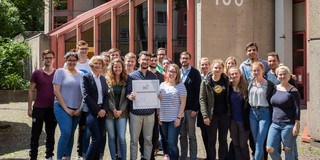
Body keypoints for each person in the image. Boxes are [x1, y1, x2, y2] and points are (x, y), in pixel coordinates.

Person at [126, 51, 162, 160]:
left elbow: (156, 94)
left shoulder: (154, 77)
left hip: (150, 114)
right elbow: (127, 92)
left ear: (150, 61)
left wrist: (158, 96)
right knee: (134, 141)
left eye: (148, 59)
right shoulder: (132, 76)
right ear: (139, 60)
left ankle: (146, 158)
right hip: (135, 113)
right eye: (144, 59)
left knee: (148, 140)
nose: (146, 61)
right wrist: (129, 96)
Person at [53, 52, 83, 160]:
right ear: (66, 60)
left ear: (77, 61)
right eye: (69, 60)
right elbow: (56, 91)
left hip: (76, 110)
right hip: (62, 107)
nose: (72, 62)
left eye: (74, 60)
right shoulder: (60, 72)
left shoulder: (81, 74)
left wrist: (80, 109)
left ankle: (68, 157)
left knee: (71, 134)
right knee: (66, 132)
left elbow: (84, 94)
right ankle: (59, 158)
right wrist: (66, 109)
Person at [28, 50, 57, 160]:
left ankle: (49, 155)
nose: (48, 60)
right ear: (43, 59)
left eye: (50, 58)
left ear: (54, 59)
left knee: (51, 133)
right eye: (46, 58)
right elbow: (30, 90)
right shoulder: (37, 73)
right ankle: (33, 156)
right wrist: (29, 108)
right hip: (39, 108)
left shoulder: (58, 73)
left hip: (53, 109)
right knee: (35, 133)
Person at [266, 65, 300, 160]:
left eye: (285, 74)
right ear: (277, 76)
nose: (282, 76)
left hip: (289, 124)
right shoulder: (275, 88)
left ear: (289, 75)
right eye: (280, 74)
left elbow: (297, 109)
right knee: (270, 148)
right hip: (275, 124)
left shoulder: (293, 91)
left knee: (288, 150)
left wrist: (296, 125)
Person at [199, 59, 231, 160]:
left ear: (223, 69)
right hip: (211, 116)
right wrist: (205, 116)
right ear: (212, 68)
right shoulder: (206, 82)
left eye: (219, 68)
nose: (217, 69)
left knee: (223, 140)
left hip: (224, 116)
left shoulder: (226, 80)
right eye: (215, 67)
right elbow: (202, 99)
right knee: (211, 141)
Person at [81, 56, 108, 160]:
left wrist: (104, 110)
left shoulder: (102, 78)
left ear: (102, 66)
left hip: (102, 111)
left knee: (100, 138)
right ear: (91, 64)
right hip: (91, 111)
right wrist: (98, 110)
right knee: (96, 138)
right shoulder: (85, 77)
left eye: (99, 63)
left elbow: (106, 95)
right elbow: (86, 95)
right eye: (95, 63)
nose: (97, 65)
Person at [158, 64, 187, 160]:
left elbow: (183, 103)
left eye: (174, 72)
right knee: (165, 141)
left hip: (174, 118)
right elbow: (158, 102)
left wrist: (178, 118)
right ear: (166, 72)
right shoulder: (161, 85)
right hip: (162, 118)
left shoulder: (180, 86)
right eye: (170, 71)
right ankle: (167, 157)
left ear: (177, 74)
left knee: (172, 142)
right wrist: (158, 116)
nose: (172, 73)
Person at [247, 61, 274, 160]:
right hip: (252, 113)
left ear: (263, 70)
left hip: (265, 113)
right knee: (256, 141)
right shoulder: (250, 82)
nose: (256, 72)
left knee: (259, 142)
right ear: (251, 71)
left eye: (258, 70)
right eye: (254, 70)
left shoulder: (269, 84)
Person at [179, 51, 201, 160]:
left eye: (187, 58)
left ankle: (193, 157)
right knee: (182, 135)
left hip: (190, 109)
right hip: (179, 110)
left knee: (191, 135)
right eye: (183, 58)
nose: (184, 60)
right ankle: (183, 156)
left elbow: (198, 92)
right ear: (180, 60)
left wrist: (195, 109)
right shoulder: (177, 72)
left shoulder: (195, 73)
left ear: (189, 60)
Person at [105, 59, 129, 160]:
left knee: (122, 138)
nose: (117, 69)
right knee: (111, 137)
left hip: (122, 113)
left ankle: (123, 158)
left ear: (122, 68)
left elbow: (128, 97)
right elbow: (106, 96)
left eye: (119, 67)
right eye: (115, 67)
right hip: (110, 113)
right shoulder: (106, 79)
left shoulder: (127, 79)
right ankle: (113, 158)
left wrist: (120, 110)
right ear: (112, 68)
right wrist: (114, 109)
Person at [228, 67, 250, 160]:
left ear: (240, 74)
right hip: (232, 120)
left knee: (243, 144)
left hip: (243, 121)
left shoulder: (246, 87)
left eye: (236, 73)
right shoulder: (228, 88)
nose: (234, 75)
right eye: (232, 74)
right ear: (229, 76)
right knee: (235, 144)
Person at [197, 57, 211, 160]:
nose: (204, 66)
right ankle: (208, 155)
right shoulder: (198, 78)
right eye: (202, 64)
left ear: (209, 65)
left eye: (206, 64)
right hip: (201, 111)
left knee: (211, 136)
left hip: (211, 111)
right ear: (200, 66)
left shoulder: (212, 77)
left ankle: (211, 155)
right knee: (204, 135)